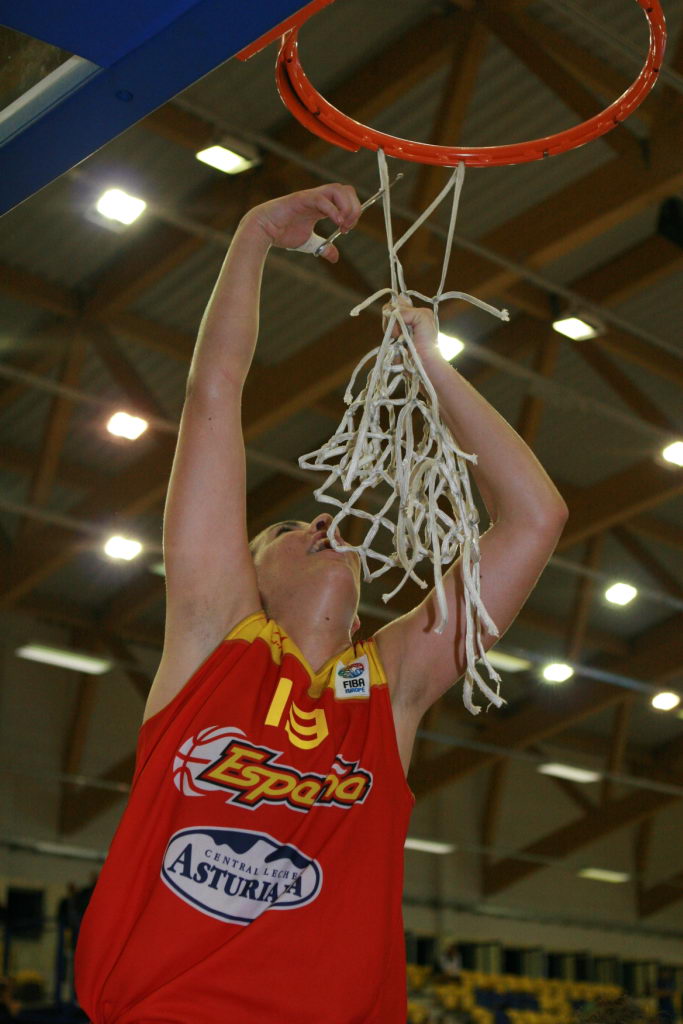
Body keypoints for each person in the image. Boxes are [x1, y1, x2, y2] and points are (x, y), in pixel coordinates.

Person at [74, 183, 568, 1023]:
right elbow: (213, 393)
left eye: (313, 520)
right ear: (245, 579)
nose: (323, 522)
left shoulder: (389, 689)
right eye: (284, 527)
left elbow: (534, 519)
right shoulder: (215, 639)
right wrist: (252, 236)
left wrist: (432, 366)